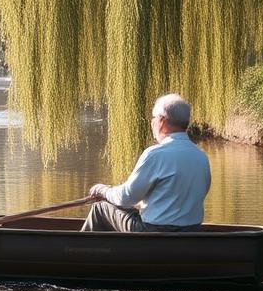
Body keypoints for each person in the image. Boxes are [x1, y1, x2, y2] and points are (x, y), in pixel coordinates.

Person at [82, 93, 211, 232]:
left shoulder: (156, 154)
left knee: (101, 208)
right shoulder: (201, 156)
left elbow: (126, 197)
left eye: (153, 118)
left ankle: (77, 250)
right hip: (192, 231)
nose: (152, 122)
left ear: (161, 121)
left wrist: (103, 191)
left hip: (154, 232)